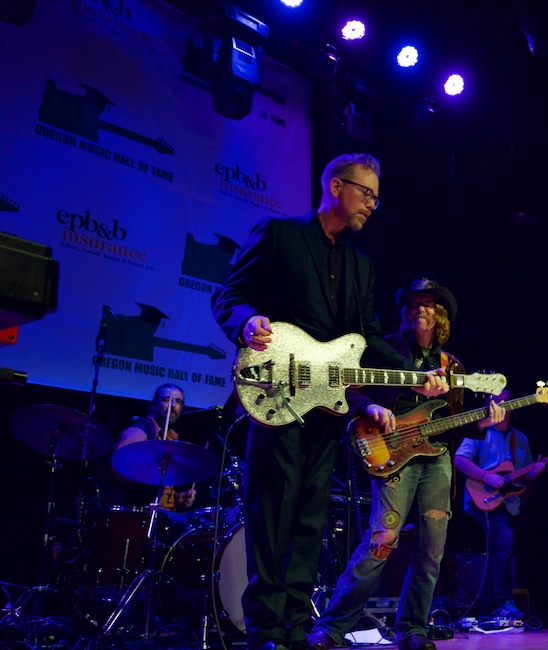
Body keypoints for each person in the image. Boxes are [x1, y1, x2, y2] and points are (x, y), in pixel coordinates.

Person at [211, 154, 449, 650]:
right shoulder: (279, 234)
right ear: (336, 187)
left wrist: (418, 376)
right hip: (276, 394)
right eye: (367, 194)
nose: (373, 206)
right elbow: (228, 296)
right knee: (270, 512)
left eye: (377, 198)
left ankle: (297, 626)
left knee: (309, 516)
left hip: (327, 406)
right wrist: (246, 321)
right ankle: (264, 629)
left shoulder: (363, 266)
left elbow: (366, 341)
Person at [309, 274, 504, 650]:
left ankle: (413, 629)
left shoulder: (453, 365)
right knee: (383, 540)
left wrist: (484, 420)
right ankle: (331, 627)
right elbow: (348, 392)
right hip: (391, 452)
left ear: (440, 314)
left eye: (428, 302)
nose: (420, 308)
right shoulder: (385, 350)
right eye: (413, 303)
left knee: (432, 547)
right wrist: (371, 405)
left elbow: (456, 425)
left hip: (437, 458)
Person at [454, 389, 545, 620]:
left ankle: (489, 608)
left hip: (507, 501)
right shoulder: (480, 431)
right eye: (496, 400)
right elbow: (460, 459)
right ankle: (502, 600)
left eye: (506, 400)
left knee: (499, 548)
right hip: (482, 498)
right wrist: (486, 477)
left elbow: (520, 476)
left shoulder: (520, 439)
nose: (502, 404)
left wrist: (534, 473)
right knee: (504, 541)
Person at [112, 383, 196, 539]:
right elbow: (119, 469)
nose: (173, 405)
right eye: (166, 400)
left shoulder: (172, 438)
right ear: (154, 405)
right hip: (141, 515)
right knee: (182, 524)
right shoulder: (139, 432)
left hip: (166, 514)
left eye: (178, 402)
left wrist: (178, 500)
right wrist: (150, 466)